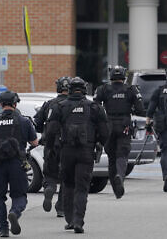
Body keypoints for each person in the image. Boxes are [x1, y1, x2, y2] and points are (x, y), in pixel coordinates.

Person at [45, 77, 108, 233]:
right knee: (82, 187)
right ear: (84, 89)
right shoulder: (94, 107)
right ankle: (79, 221)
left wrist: (50, 149)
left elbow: (51, 131)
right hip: (86, 152)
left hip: (66, 152)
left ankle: (70, 219)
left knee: (68, 185)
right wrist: (99, 143)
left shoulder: (60, 106)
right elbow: (105, 133)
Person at [0, 91, 38, 237]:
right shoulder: (24, 121)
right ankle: (14, 212)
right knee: (19, 195)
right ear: (15, 104)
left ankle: (3, 229)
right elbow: (34, 142)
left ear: (0, 104)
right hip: (17, 163)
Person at [94, 65, 145, 199]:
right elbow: (141, 109)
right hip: (124, 125)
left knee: (111, 157)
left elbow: (95, 106)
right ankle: (120, 177)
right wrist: (131, 109)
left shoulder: (103, 89)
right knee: (122, 155)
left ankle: (116, 189)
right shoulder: (131, 89)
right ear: (124, 76)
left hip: (108, 125)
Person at [34, 76, 72, 217]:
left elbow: (37, 124)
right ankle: (61, 207)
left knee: (50, 173)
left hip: (50, 145)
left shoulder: (49, 104)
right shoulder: (74, 105)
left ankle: (49, 188)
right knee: (67, 177)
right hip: (69, 146)